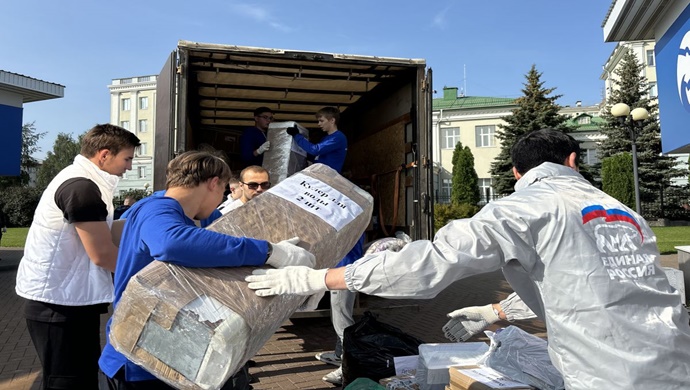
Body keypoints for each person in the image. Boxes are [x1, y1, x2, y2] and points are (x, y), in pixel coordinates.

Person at [245, 128, 690, 390]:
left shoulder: (524, 207)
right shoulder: (626, 213)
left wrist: (319, 277)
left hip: (607, 376)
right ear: (573, 160)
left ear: (517, 174)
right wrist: (495, 309)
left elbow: (428, 265)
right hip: (675, 364)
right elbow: (591, 285)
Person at [98, 150, 316, 390]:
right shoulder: (157, 209)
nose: (221, 201)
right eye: (223, 192)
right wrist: (269, 251)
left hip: (168, 352)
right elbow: (171, 242)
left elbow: (224, 237)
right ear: (214, 184)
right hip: (140, 360)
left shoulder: (178, 210)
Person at [15, 124, 141, 389]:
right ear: (104, 154)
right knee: (68, 382)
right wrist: (149, 279)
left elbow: (103, 233)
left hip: (68, 300)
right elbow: (102, 254)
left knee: (79, 377)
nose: (129, 166)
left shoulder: (86, 181)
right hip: (57, 306)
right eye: (127, 158)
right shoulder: (81, 188)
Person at [287, 107, 359, 385]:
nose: (318, 123)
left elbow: (314, 147)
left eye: (320, 120)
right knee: (337, 315)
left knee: (342, 317)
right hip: (338, 270)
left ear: (331, 120)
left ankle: (348, 365)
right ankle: (340, 354)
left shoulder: (337, 138)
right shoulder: (337, 206)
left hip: (345, 271)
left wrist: (297, 139)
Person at [286, 106, 347, 173]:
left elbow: (315, 150)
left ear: (332, 120)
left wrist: (296, 135)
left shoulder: (337, 138)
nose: (319, 124)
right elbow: (317, 156)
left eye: (321, 121)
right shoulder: (326, 138)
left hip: (328, 177)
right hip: (321, 175)